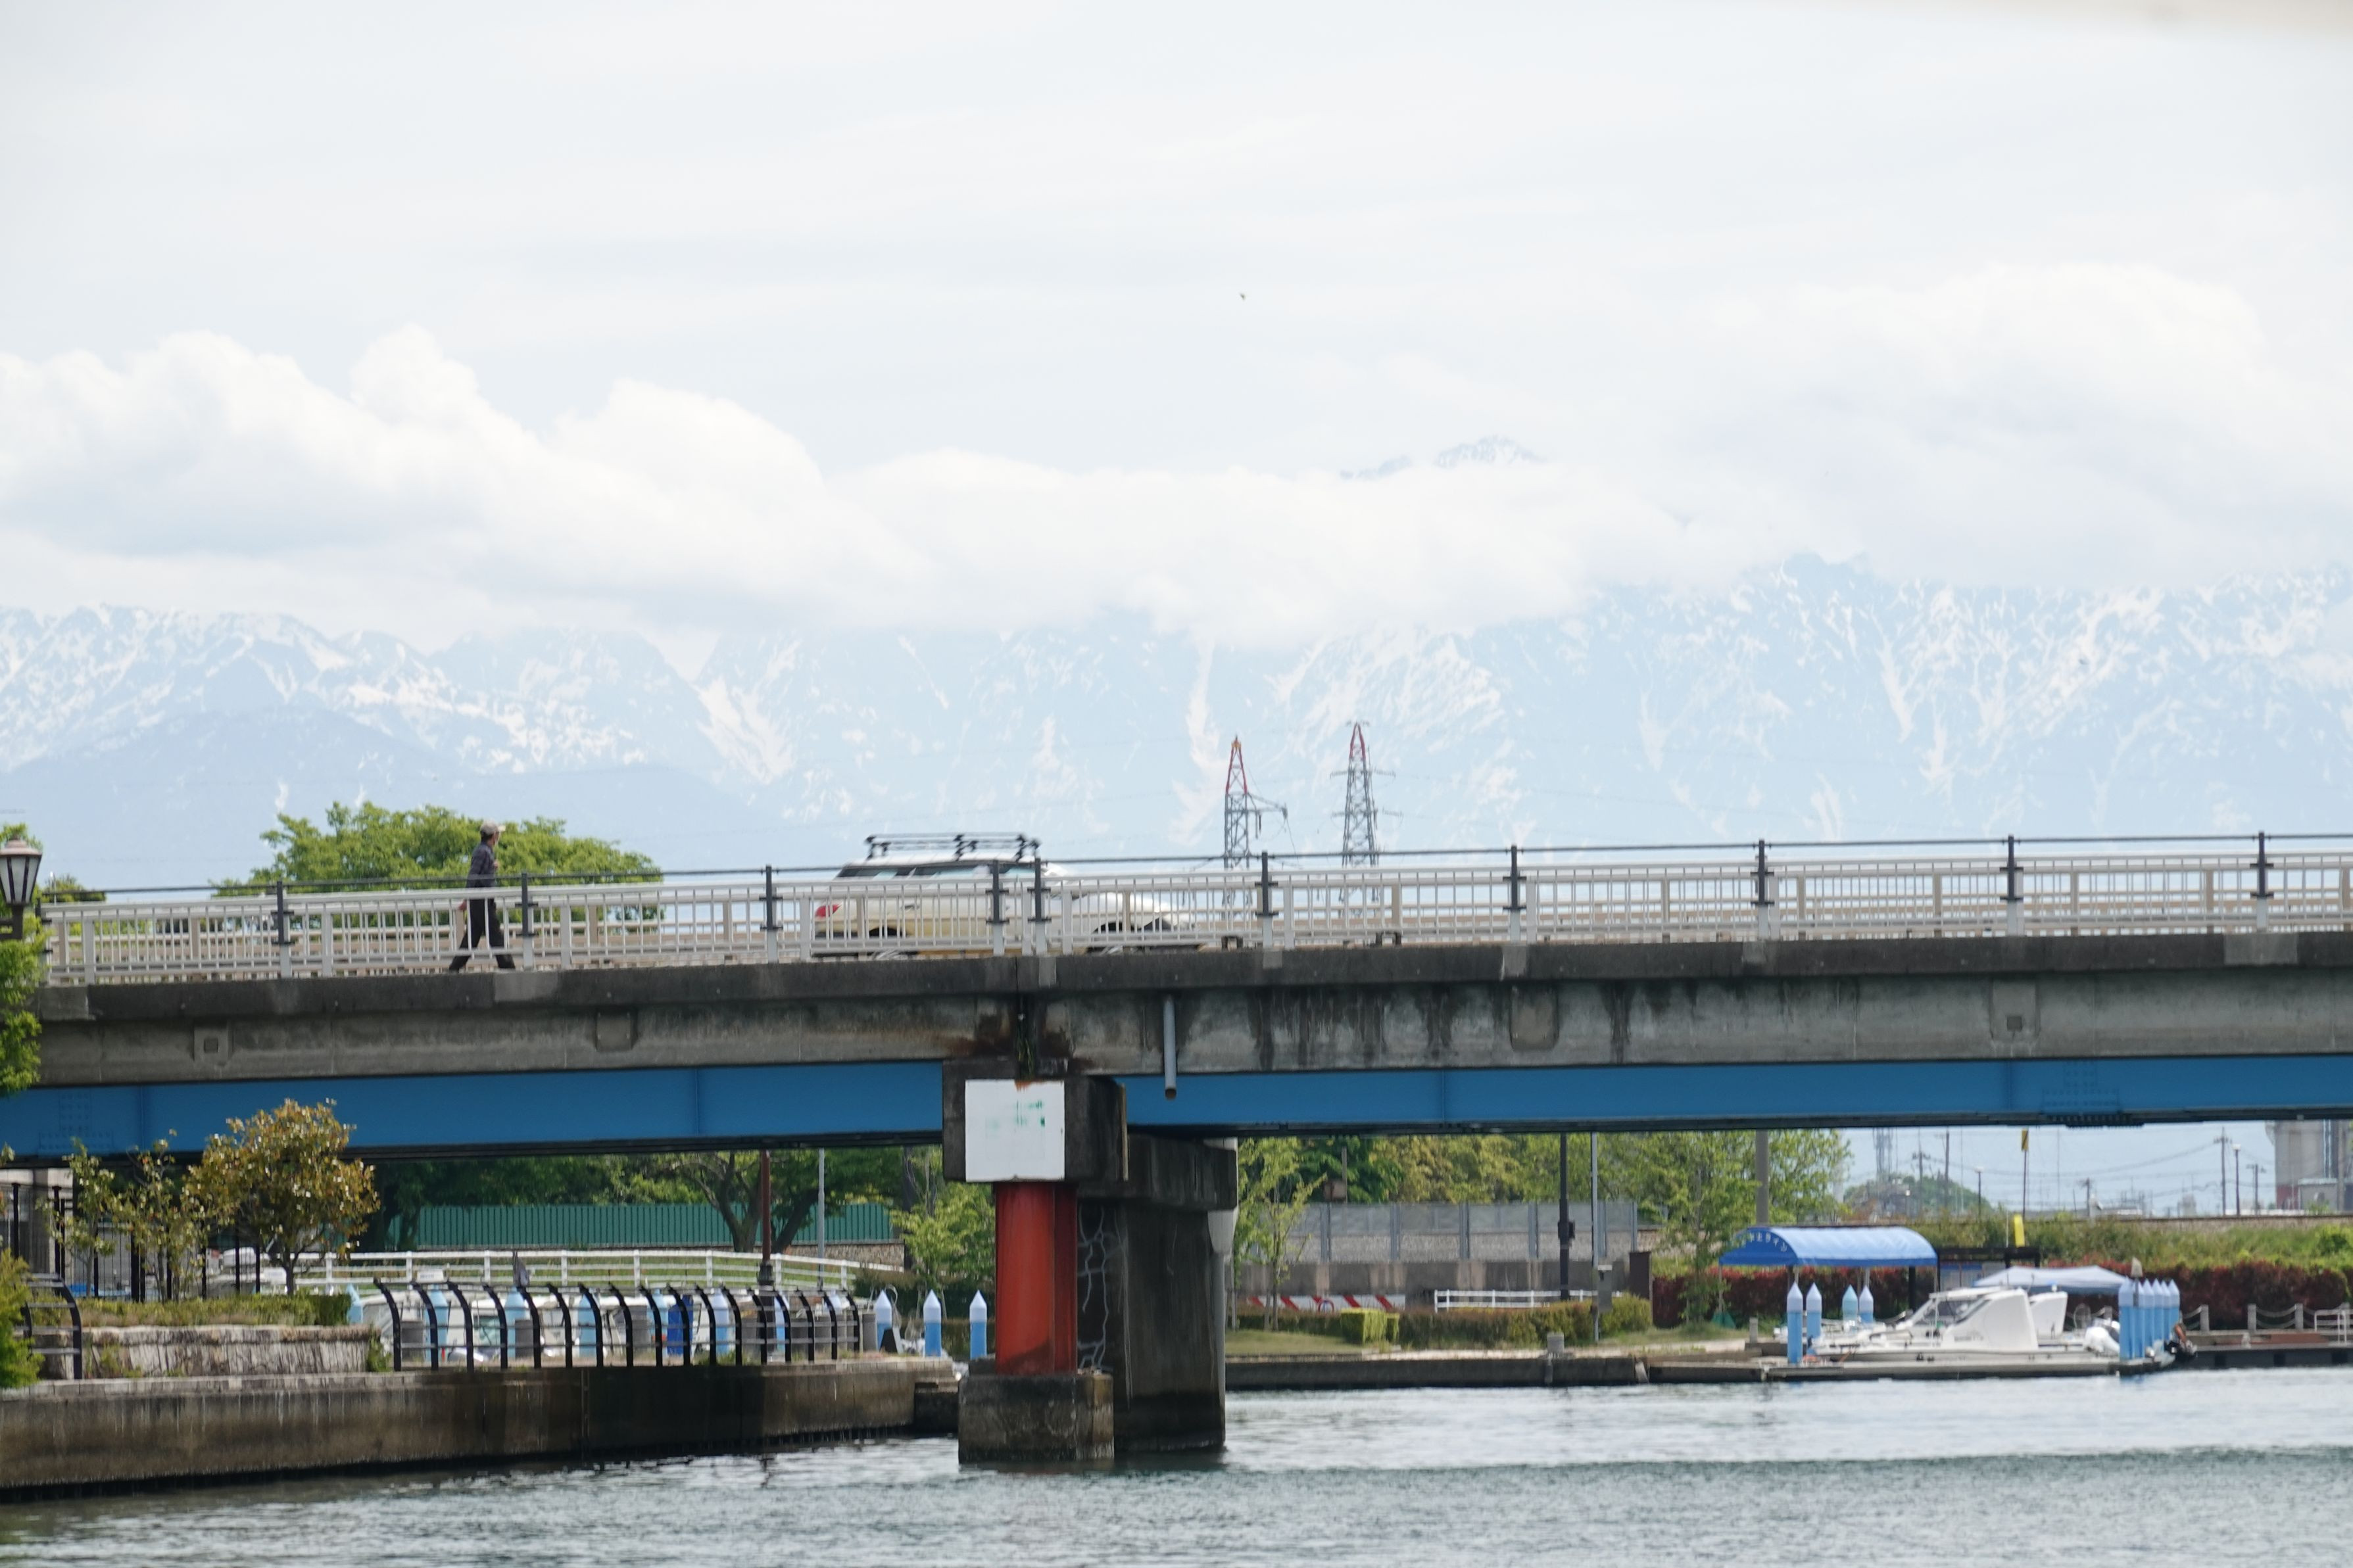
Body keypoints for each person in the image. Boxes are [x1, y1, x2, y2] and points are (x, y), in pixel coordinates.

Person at [449, 821, 515, 971]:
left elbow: (480, 873)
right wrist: (467, 898)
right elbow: (473, 875)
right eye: (498, 834)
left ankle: (455, 967)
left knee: (473, 937)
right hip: (481, 901)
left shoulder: (485, 851)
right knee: (494, 933)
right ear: (494, 836)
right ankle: (508, 966)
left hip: (482, 899)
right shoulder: (483, 852)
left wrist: (492, 867)